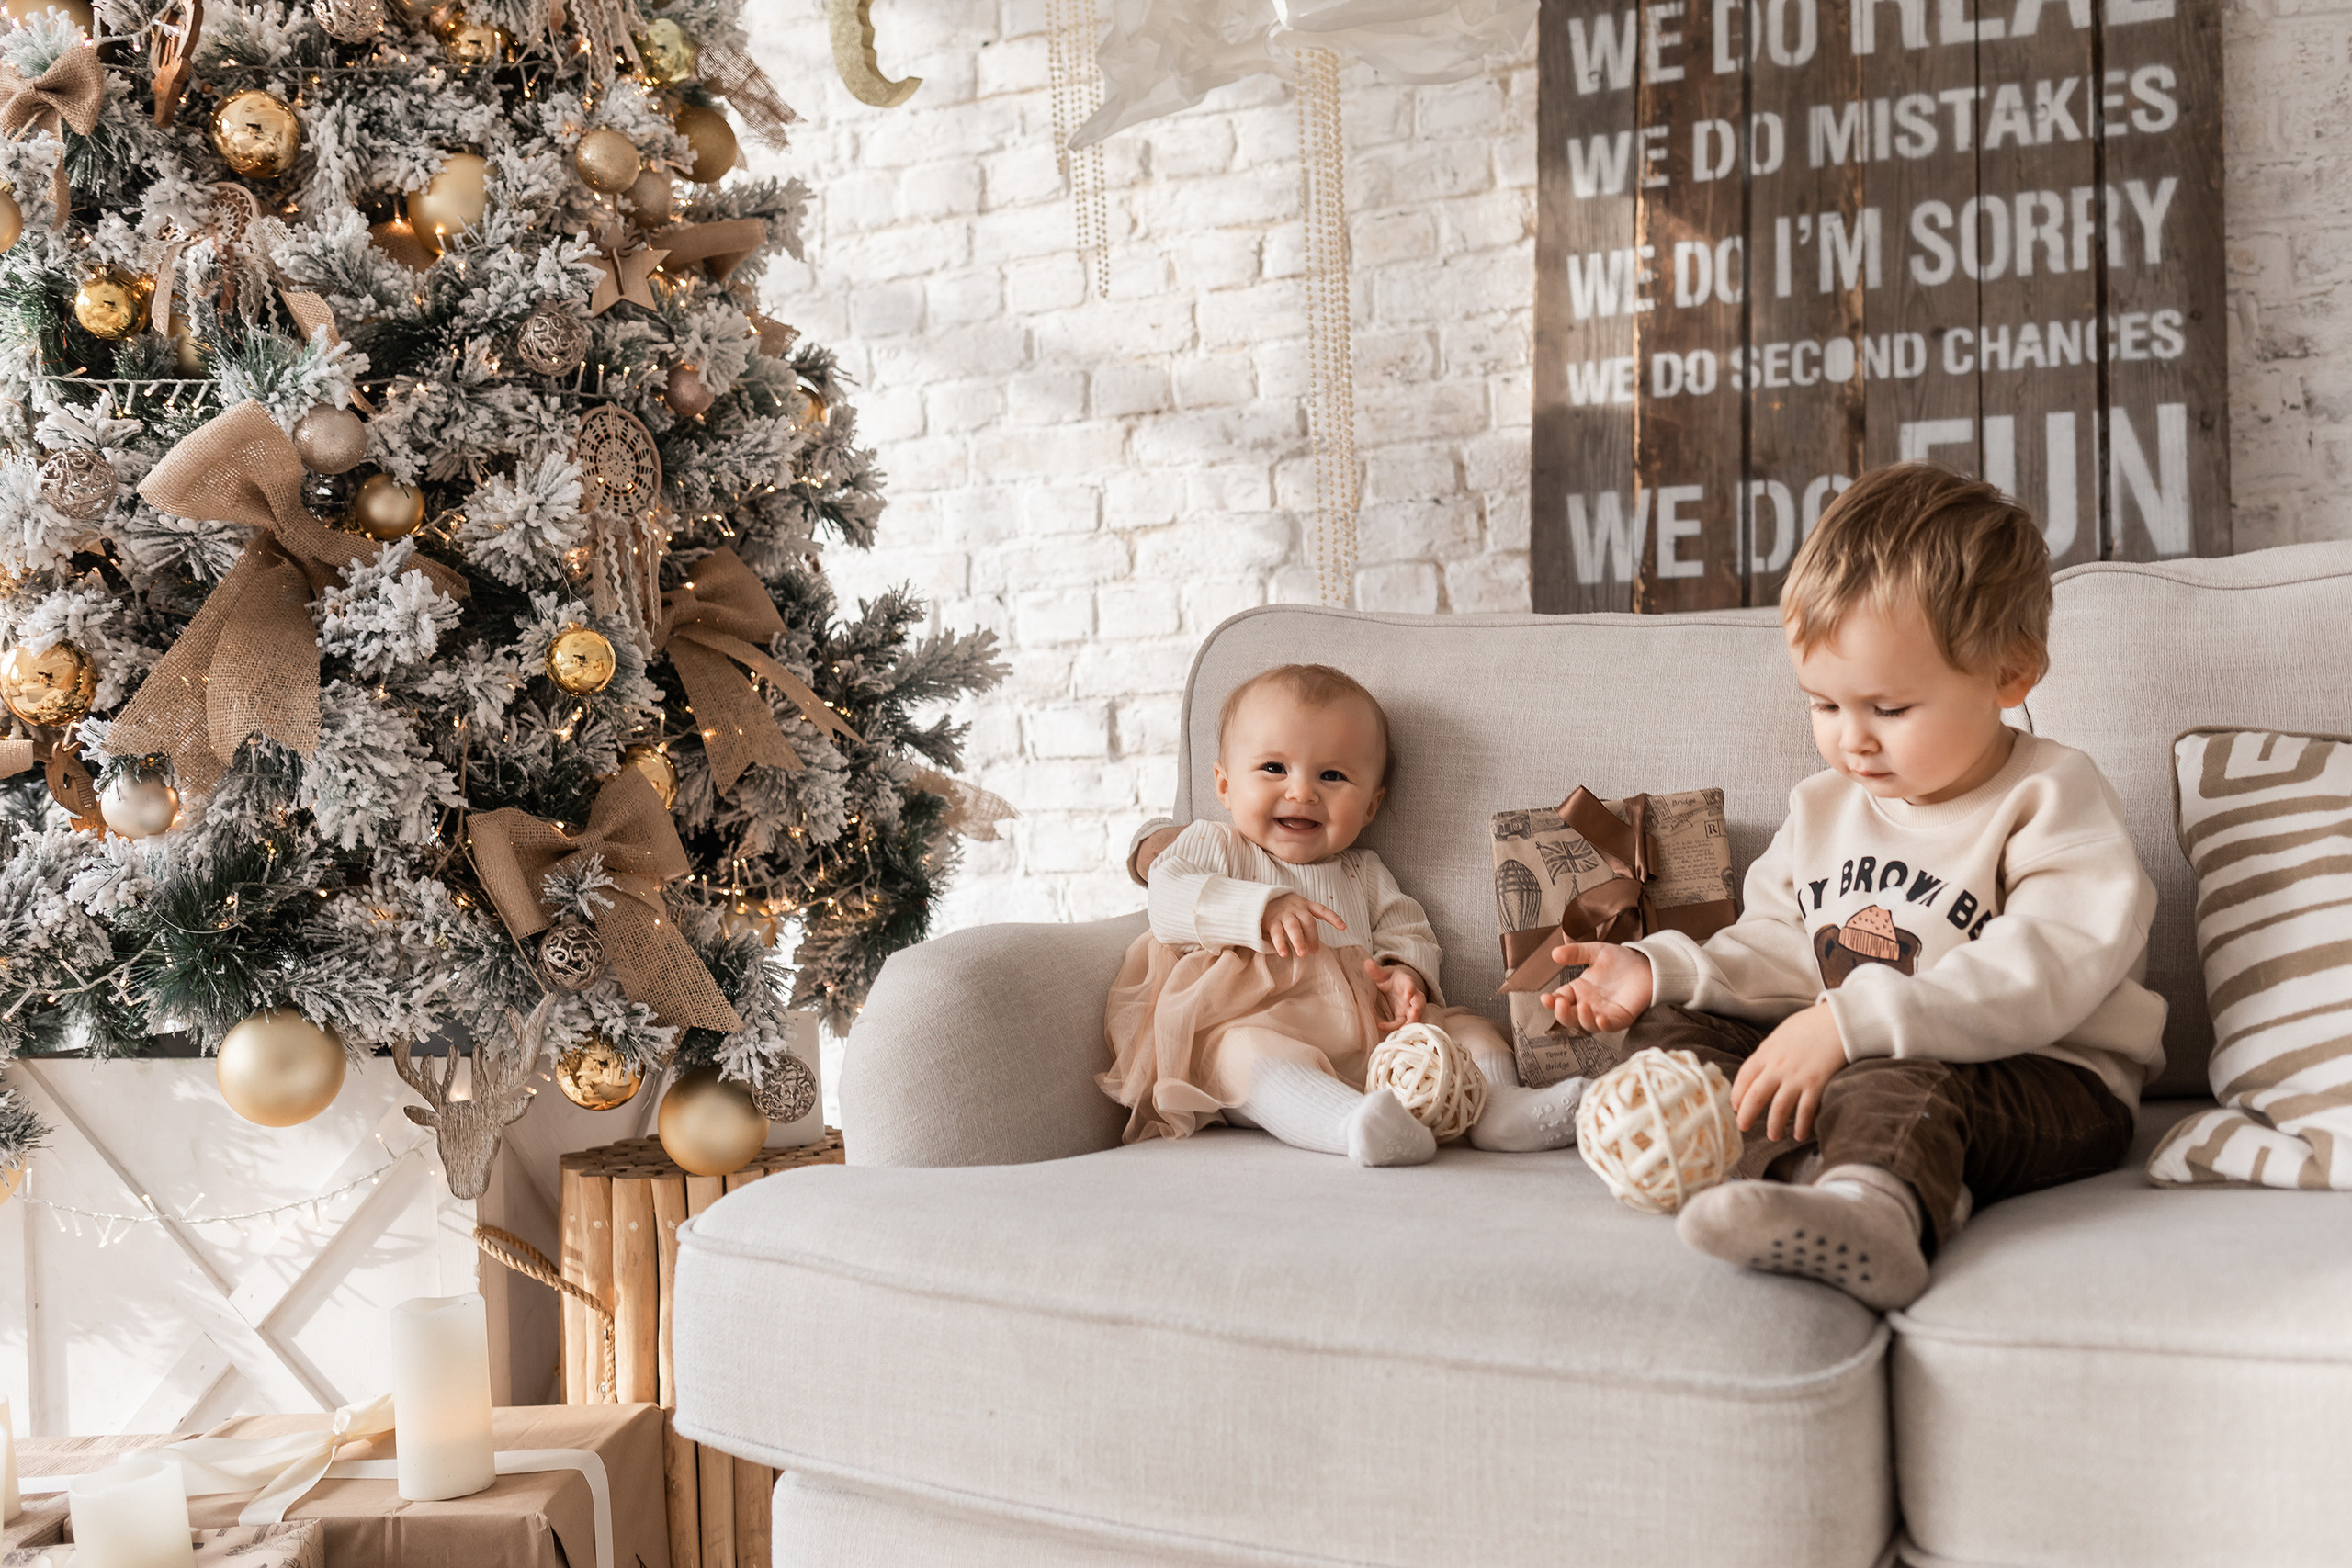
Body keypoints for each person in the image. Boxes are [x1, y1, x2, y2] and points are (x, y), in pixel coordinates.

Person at [1547, 464, 2165, 1309]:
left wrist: (1853, 1021)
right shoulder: (1824, 805)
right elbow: (1779, 943)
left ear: (2009, 674)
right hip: (1857, 1051)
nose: (1852, 742)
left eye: (1890, 708)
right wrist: (1663, 968)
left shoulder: (2053, 796)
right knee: (1672, 1029)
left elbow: (2047, 965)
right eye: (1825, 706)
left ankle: (1873, 1214)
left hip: (2047, 1078)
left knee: (1893, 1073)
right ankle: (1806, 1168)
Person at [1105, 663, 1587, 1166]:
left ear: (1372, 806)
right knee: (1240, 1054)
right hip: (1255, 1018)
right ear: (1224, 786)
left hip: (1372, 1031)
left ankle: (1497, 1110)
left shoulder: (1364, 872)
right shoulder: (1215, 845)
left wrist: (1407, 975)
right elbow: (1168, 898)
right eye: (1274, 768)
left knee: (1468, 1033)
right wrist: (1260, 907)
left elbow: (1407, 927)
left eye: (1332, 776)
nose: (1302, 792)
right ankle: (1352, 1125)